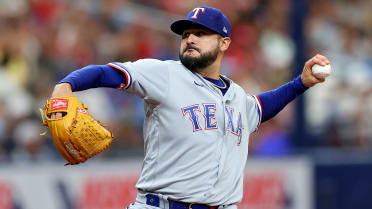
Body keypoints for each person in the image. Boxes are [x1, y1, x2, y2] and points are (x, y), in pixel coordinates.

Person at [50, 6, 330, 209]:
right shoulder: (164, 75)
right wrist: (65, 86)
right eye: (186, 34)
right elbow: (105, 73)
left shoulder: (235, 94)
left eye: (200, 33)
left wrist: (300, 84)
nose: (190, 39)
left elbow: (258, 108)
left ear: (224, 43)